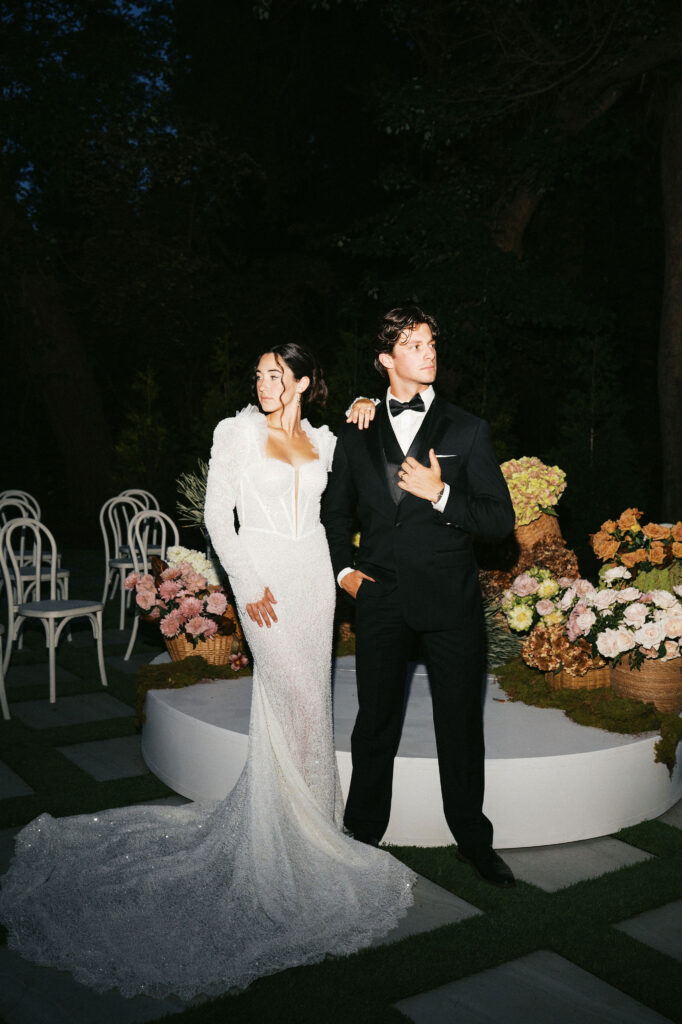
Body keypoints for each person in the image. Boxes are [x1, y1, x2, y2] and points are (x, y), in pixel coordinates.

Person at [0, 345, 414, 1000]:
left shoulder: (324, 439)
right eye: (259, 373)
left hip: (312, 582)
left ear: (305, 382)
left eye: (276, 373)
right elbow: (221, 517)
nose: (264, 382)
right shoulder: (237, 434)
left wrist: (375, 408)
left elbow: (386, 467)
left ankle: (311, 832)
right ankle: (295, 846)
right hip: (264, 583)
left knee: (311, 706)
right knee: (296, 699)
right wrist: (246, 585)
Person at [322, 306, 517, 888]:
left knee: (460, 725)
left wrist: (441, 495)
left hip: (451, 603)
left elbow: (499, 520)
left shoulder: (467, 429)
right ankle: (361, 832)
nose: (428, 352)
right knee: (373, 722)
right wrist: (343, 574)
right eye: (413, 343)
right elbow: (333, 513)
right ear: (386, 359)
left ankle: (472, 841)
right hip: (380, 599)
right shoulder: (355, 430)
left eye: (431, 341)